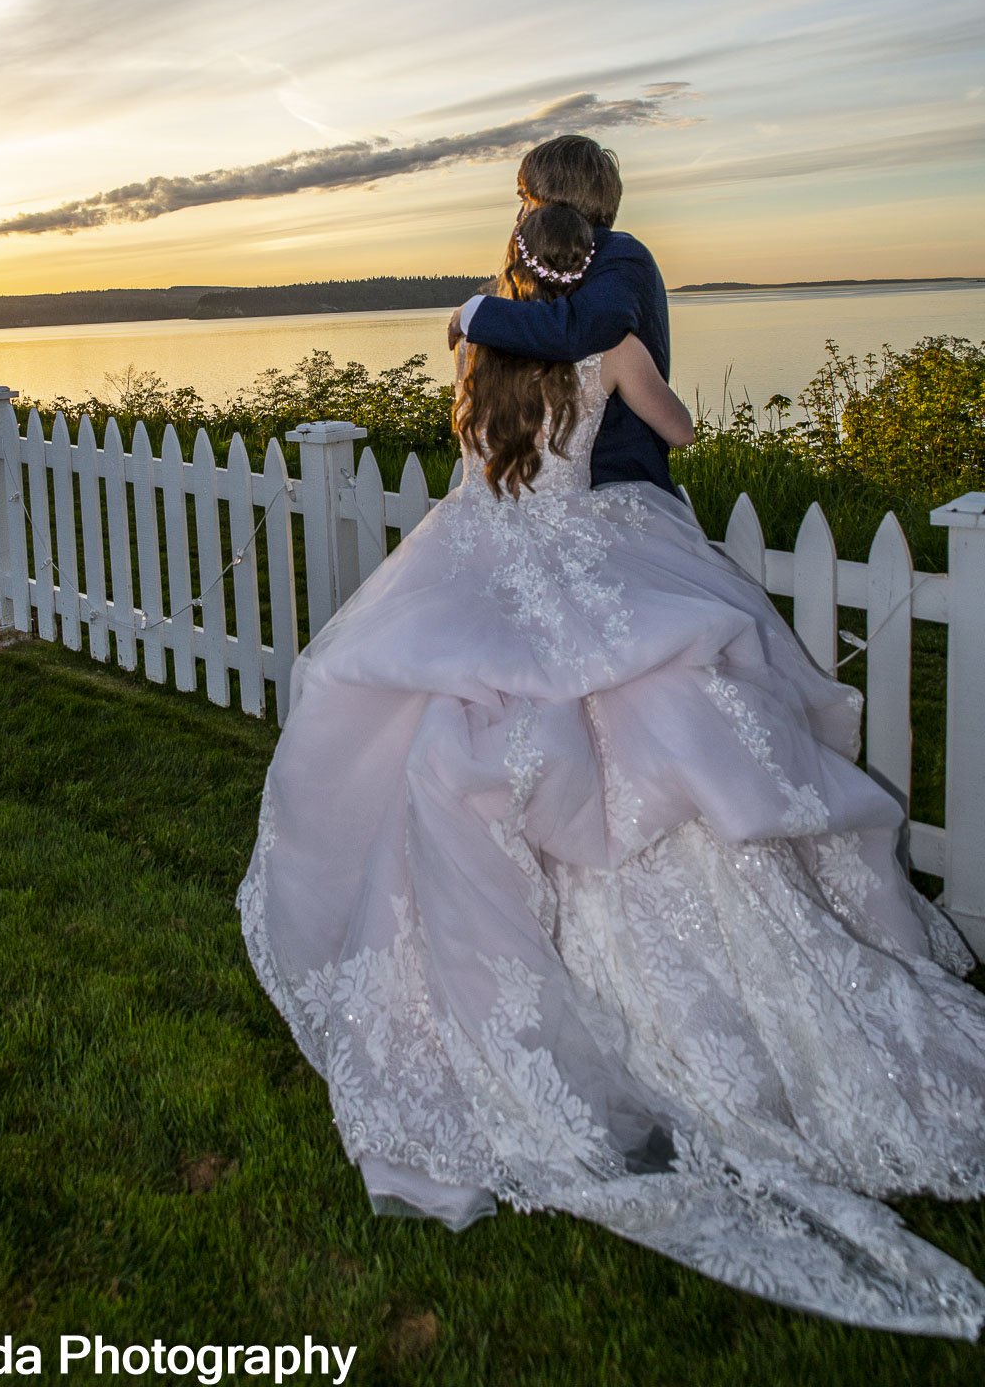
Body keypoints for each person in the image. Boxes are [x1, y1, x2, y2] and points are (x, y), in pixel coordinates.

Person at [235, 203, 985, 1338]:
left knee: (461, 748)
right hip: (592, 552)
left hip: (486, 555)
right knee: (668, 728)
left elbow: (478, 460)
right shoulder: (613, 343)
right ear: (594, 266)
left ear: (515, 263)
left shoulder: (482, 345)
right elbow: (675, 435)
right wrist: (640, 388)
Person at [447, 132, 680, 498]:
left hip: (617, 480)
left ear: (554, 198)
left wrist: (477, 313)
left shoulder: (621, 256)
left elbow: (576, 330)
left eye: (526, 198)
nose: (521, 213)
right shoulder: (548, 269)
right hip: (549, 487)